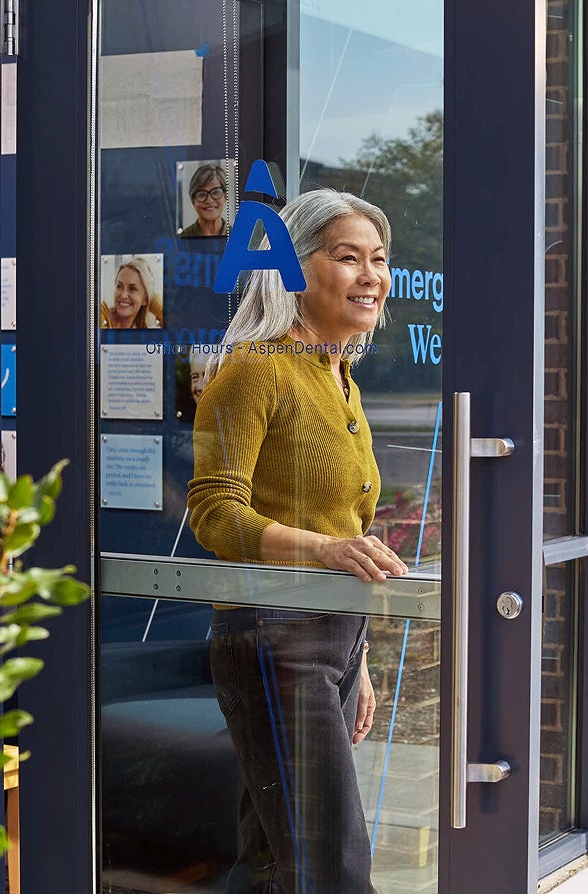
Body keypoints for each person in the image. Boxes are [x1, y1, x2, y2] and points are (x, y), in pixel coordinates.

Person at [188, 189, 408, 894]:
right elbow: (213, 512)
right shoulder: (255, 369)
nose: (370, 274)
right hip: (272, 639)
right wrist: (321, 551)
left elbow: (349, 530)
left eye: (379, 259)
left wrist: (361, 657)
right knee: (332, 865)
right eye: (347, 257)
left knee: (271, 862)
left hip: (335, 639)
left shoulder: (343, 378)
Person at [102, 255, 163, 329]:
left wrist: (157, 308)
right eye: (119, 286)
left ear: (145, 299)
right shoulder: (101, 314)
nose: (123, 295)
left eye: (132, 289)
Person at [179, 162, 230, 237]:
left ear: (225, 196)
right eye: (202, 194)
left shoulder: (239, 236)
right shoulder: (183, 238)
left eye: (216, 192)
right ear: (193, 200)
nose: (209, 200)